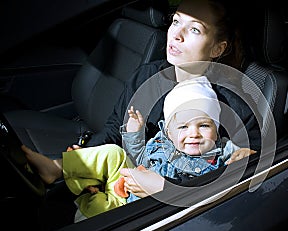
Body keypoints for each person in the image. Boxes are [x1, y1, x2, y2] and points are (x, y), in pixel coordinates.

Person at [22, 0, 262, 219]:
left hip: (164, 213)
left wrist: (163, 189)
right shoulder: (147, 76)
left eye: (194, 29)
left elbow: (236, 198)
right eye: (176, 21)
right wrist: (88, 159)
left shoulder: (235, 109)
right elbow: (115, 130)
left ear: (217, 49)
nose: (176, 35)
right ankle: (56, 168)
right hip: (127, 175)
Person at [22, 76, 255, 219]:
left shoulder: (223, 151)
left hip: (141, 208)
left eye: (204, 125)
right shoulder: (163, 143)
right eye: (183, 127)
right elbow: (139, 157)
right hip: (127, 182)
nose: (193, 133)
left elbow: (238, 166)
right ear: (169, 131)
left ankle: (86, 198)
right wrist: (134, 134)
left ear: (216, 129)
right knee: (114, 153)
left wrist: (243, 155)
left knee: (96, 213)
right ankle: (56, 168)